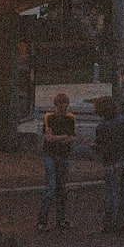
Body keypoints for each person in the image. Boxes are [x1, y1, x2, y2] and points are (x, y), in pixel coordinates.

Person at [93, 96, 124, 234]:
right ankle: (121, 223)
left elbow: (101, 148)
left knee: (111, 194)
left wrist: (93, 146)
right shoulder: (123, 121)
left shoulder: (102, 127)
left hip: (111, 163)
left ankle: (108, 223)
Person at [38, 92, 77, 231]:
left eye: (65, 107)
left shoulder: (70, 118)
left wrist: (58, 137)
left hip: (62, 155)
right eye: (61, 107)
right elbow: (49, 138)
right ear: (56, 106)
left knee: (61, 188)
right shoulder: (49, 117)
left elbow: (72, 138)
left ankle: (60, 219)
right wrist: (64, 137)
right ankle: (42, 221)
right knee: (51, 188)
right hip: (51, 154)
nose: (63, 110)